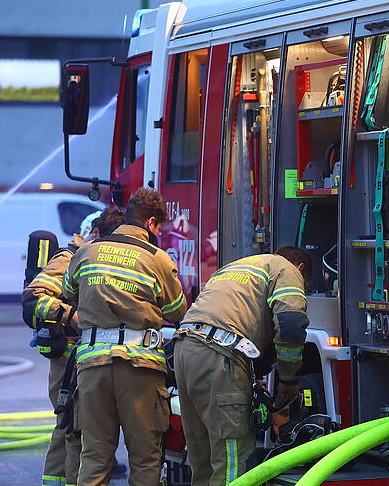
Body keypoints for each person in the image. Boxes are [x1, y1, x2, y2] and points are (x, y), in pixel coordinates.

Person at [64, 188, 186, 486]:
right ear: (152, 223)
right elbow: (177, 310)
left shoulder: (87, 252)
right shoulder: (157, 259)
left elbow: (69, 294)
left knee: (94, 458)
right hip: (140, 369)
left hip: (92, 367)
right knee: (145, 460)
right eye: (159, 227)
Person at [173, 247, 312, 486]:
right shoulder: (287, 270)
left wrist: (251, 379)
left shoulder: (237, 267)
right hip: (219, 355)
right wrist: (288, 381)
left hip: (185, 349)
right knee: (231, 458)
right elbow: (291, 324)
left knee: (202, 455)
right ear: (300, 268)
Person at [22, 207, 124, 486]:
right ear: (93, 232)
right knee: (76, 430)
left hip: (85, 358)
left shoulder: (94, 258)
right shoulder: (69, 258)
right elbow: (33, 298)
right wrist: (70, 315)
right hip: (68, 357)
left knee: (67, 427)